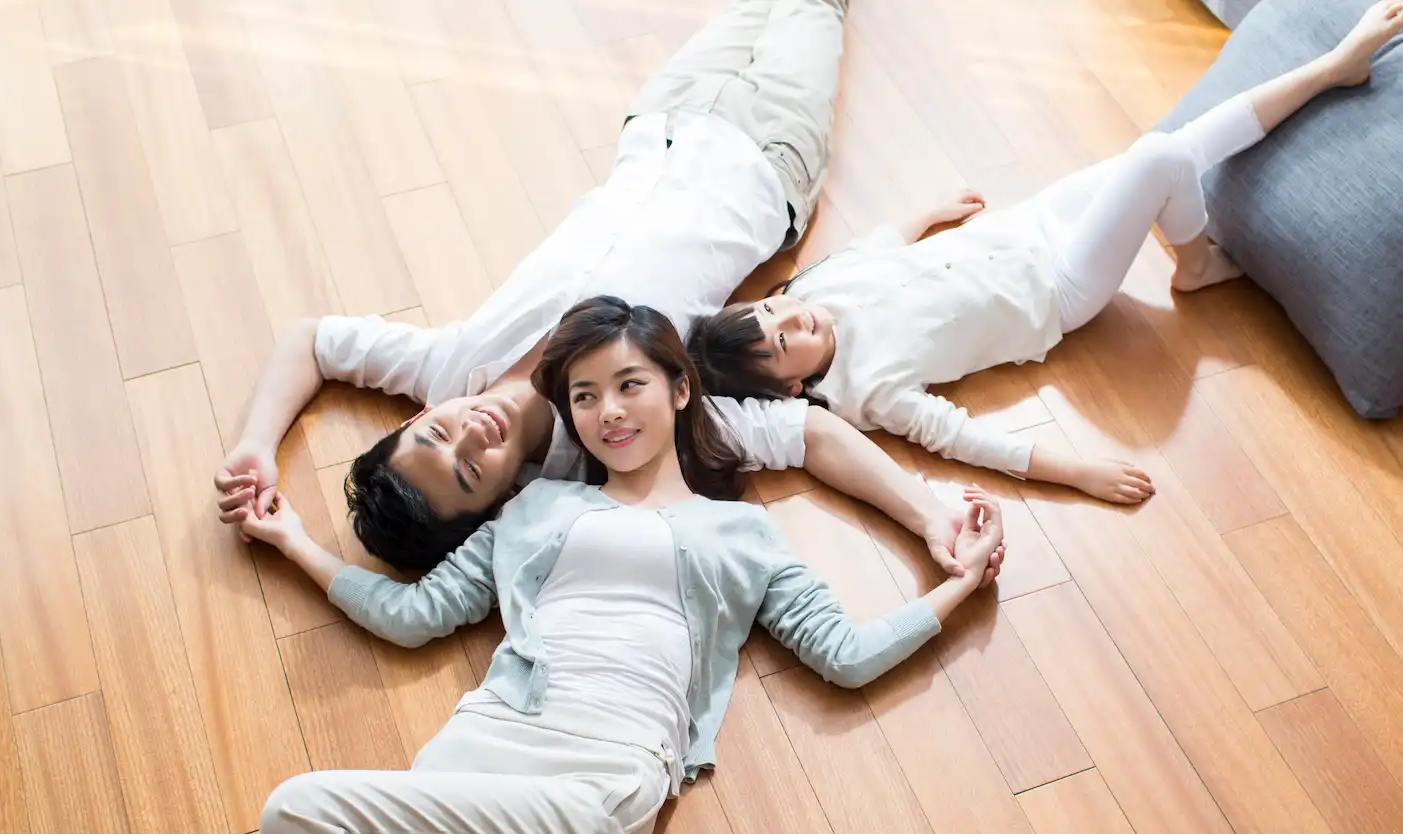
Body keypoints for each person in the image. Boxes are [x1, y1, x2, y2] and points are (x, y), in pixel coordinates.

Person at [237, 296, 1005, 834]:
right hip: (476, 756)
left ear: (679, 389)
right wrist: (294, 541)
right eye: (584, 396)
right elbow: (414, 613)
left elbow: (844, 652)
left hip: (597, 790)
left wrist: (959, 585)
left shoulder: (740, 534)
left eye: (629, 384)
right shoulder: (535, 506)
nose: (608, 410)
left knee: (300, 817)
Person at [213, 0, 987, 578]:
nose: (470, 432)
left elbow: (309, 340)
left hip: (662, 121)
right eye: (470, 469)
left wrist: (256, 444)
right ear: (498, 500)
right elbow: (810, 439)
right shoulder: (615, 435)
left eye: (435, 433)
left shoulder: (443, 368)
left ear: (419, 415)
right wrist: (931, 515)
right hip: (765, 159)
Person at [685, 0, 1403, 505]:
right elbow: (963, 442)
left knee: (1174, 149)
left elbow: (878, 245)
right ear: (789, 390)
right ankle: (1195, 260)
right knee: (1162, 156)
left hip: (1027, 226)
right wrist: (1077, 474)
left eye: (779, 306)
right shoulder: (868, 393)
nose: (797, 319)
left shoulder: (823, 287)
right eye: (785, 343)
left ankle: (1330, 71)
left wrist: (927, 215)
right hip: (1062, 289)